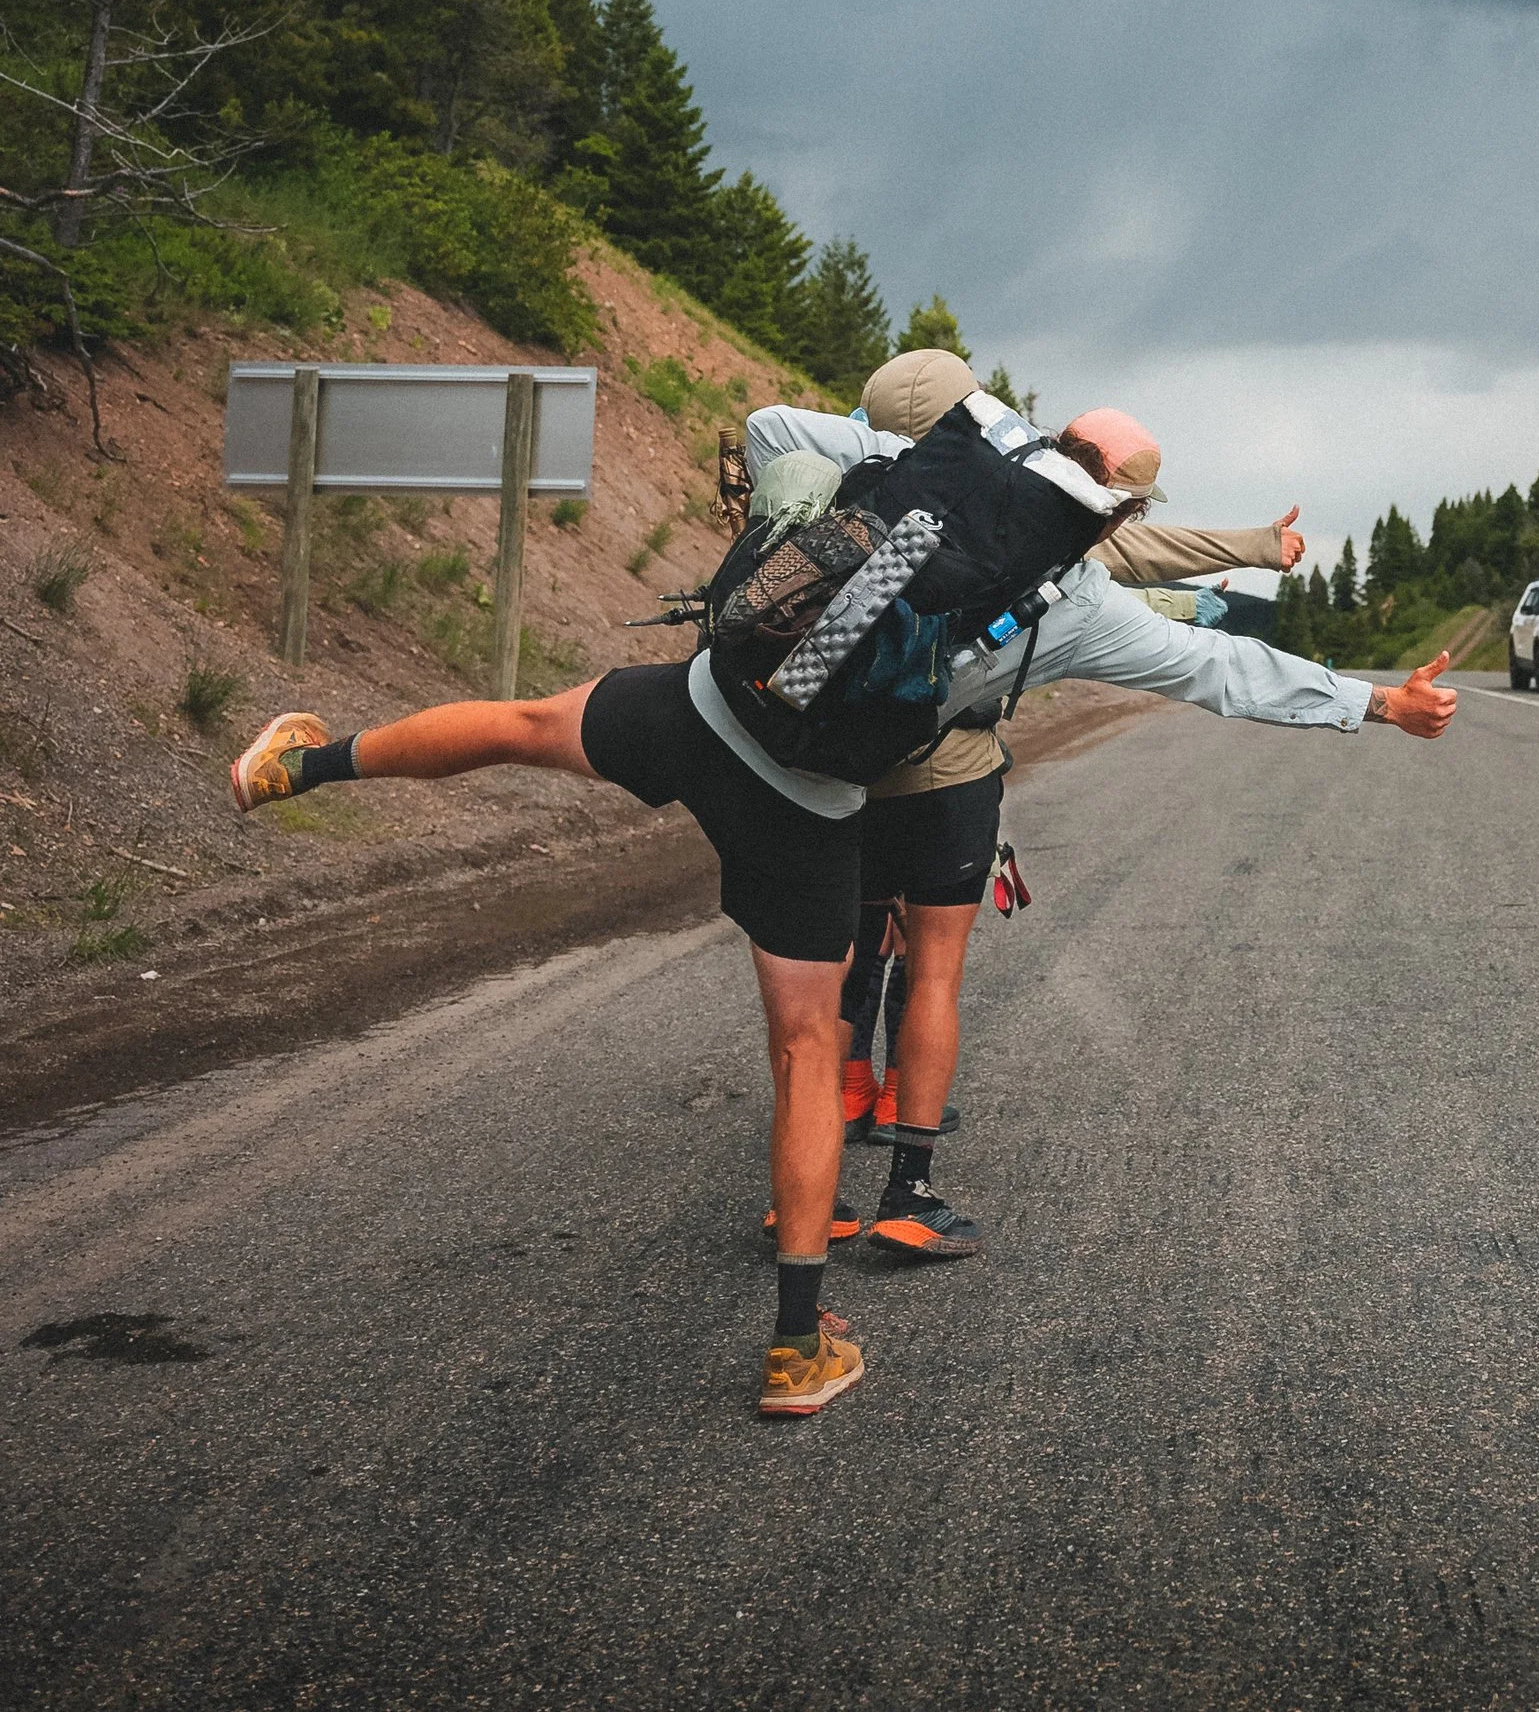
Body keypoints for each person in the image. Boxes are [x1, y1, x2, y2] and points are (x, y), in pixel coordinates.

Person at [229, 370, 1457, 1420]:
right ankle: (797, 1344)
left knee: (516, 724)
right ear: (1122, 502)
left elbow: (771, 425)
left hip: (708, 704)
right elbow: (1216, 664)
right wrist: (1377, 701)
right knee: (810, 1049)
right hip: (810, 802)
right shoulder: (1078, 604)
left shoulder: (929, 457)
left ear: (1045, 439)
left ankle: (302, 762)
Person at [761, 352, 1313, 1264]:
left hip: (829, 758)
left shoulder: (852, 483)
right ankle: (909, 1183)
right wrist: (1252, 549)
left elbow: (769, 439)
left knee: (840, 954)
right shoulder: (1040, 525)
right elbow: (1148, 569)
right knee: (932, 959)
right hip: (948, 766)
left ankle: (812, 1166)